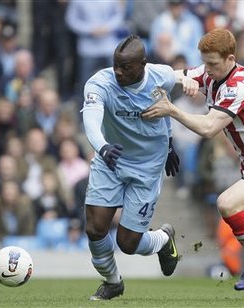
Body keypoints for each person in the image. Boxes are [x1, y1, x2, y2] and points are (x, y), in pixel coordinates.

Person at [142, 28, 244, 300]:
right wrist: (177, 78)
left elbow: (208, 128)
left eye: (213, 63)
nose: (208, 69)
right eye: (205, 63)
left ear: (230, 58)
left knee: (226, 203)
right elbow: (177, 74)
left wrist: (173, 109)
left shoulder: (238, 86)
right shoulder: (211, 73)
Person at [81, 34, 198, 301]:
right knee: (95, 228)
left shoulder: (159, 76)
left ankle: (162, 240)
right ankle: (112, 282)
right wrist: (102, 147)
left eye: (126, 67)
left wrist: (169, 144)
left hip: (147, 166)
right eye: (116, 65)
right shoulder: (100, 83)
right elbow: (91, 120)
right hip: (110, 158)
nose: (119, 72)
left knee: (128, 243)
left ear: (143, 64)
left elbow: (177, 77)